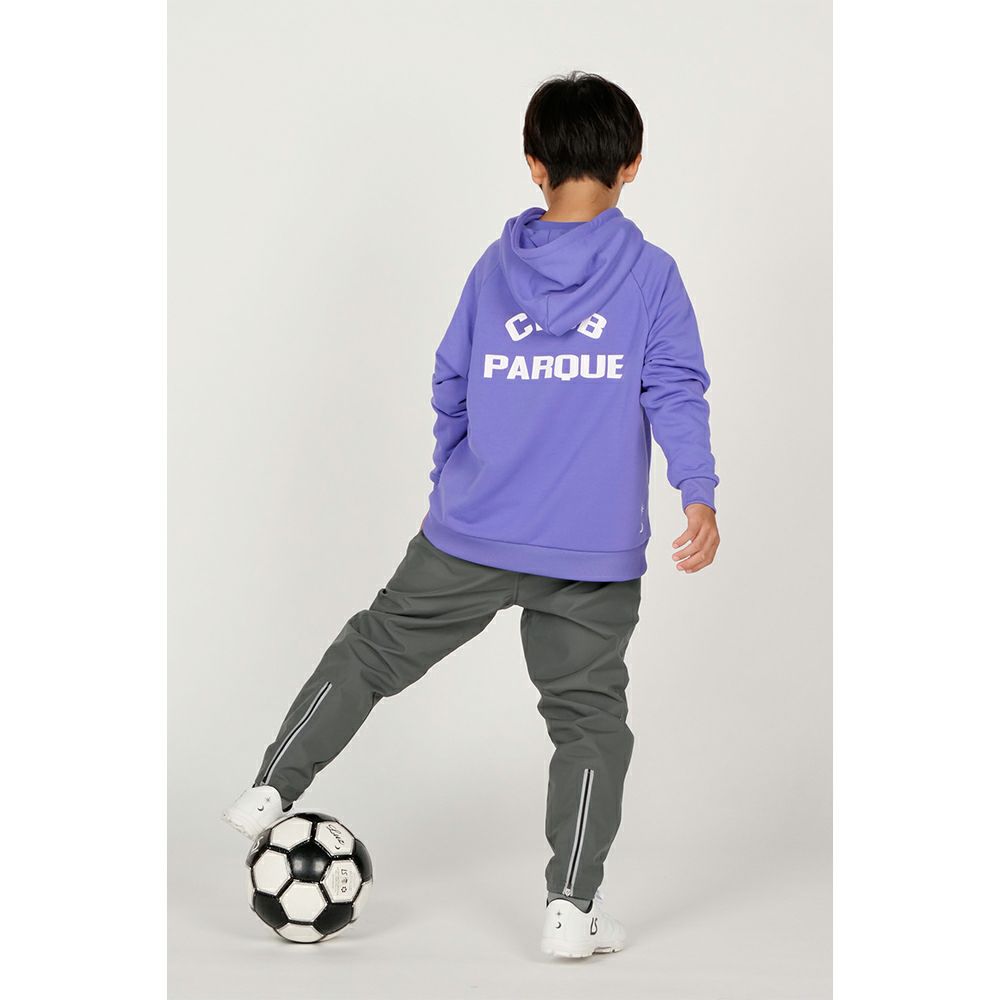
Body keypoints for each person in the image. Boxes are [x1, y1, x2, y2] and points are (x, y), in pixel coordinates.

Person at [223, 70, 720, 959]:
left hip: (471, 528)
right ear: (633, 164)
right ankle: (570, 910)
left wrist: (453, 479)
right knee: (589, 720)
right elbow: (675, 388)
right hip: (591, 550)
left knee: (372, 651)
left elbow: (449, 380)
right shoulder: (651, 276)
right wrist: (698, 492)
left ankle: (271, 786)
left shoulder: (496, 271)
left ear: (533, 163)